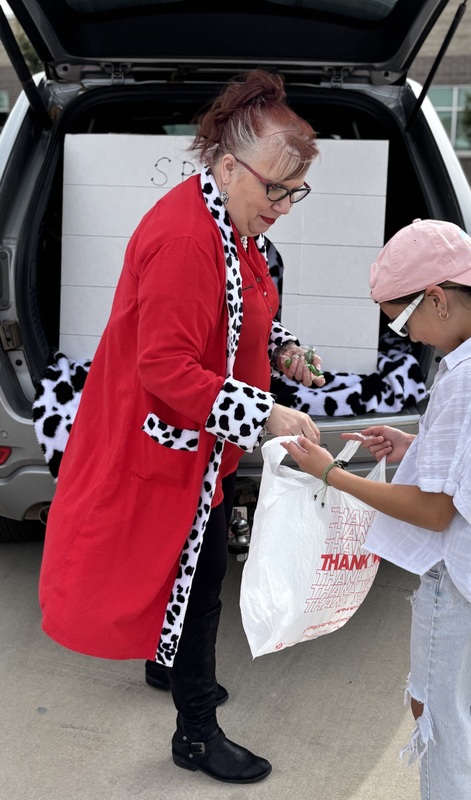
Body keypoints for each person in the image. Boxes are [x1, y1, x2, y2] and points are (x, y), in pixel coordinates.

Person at [39, 69, 326, 785]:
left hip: (201, 446)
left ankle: (166, 666)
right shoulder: (184, 238)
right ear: (230, 166)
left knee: (186, 570)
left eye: (297, 192)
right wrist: (265, 412)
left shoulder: (232, 223)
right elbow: (166, 368)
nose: (285, 207)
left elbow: (247, 307)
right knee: (200, 584)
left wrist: (285, 352)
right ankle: (196, 732)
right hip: (167, 449)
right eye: (277, 189)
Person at [282, 218, 471, 800]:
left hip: (460, 588)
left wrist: (331, 473)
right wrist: (418, 448)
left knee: (437, 725)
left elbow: (436, 512)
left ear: (436, 297)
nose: (406, 338)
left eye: (403, 322)